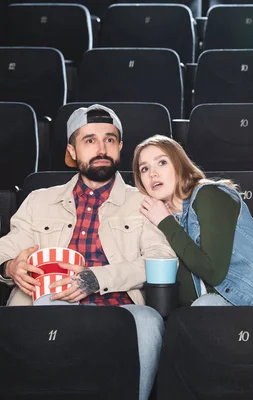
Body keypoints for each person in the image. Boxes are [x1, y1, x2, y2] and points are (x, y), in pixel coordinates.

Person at [0, 104, 176, 400]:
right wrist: (9, 267)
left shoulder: (144, 202)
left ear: (120, 147)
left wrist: (95, 278)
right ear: (72, 150)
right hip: (48, 304)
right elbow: (6, 249)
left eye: (109, 139)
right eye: (89, 140)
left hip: (118, 310)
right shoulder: (39, 200)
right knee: (47, 306)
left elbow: (162, 258)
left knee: (148, 320)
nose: (101, 148)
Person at [132, 135, 253, 307]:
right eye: (144, 169)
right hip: (215, 306)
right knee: (204, 306)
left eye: (162, 162)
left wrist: (166, 222)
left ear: (179, 166)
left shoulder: (208, 195)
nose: (153, 174)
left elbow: (213, 272)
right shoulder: (164, 220)